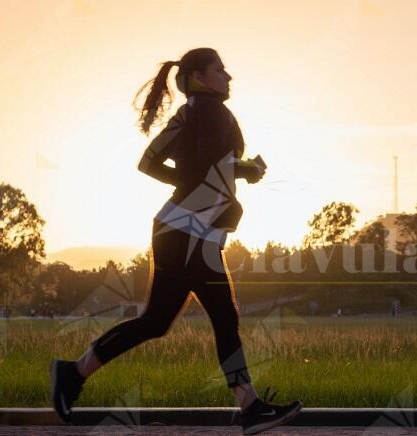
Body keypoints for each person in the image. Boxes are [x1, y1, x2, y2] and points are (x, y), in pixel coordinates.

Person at [50, 48, 302, 434]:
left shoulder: (197, 114)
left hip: (188, 229)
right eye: (220, 69)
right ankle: (250, 408)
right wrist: (231, 173)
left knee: (161, 321)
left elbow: (165, 164)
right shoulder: (206, 113)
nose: (228, 76)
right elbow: (189, 166)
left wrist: (223, 175)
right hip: (186, 231)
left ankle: (73, 373)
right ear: (200, 77)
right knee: (217, 316)